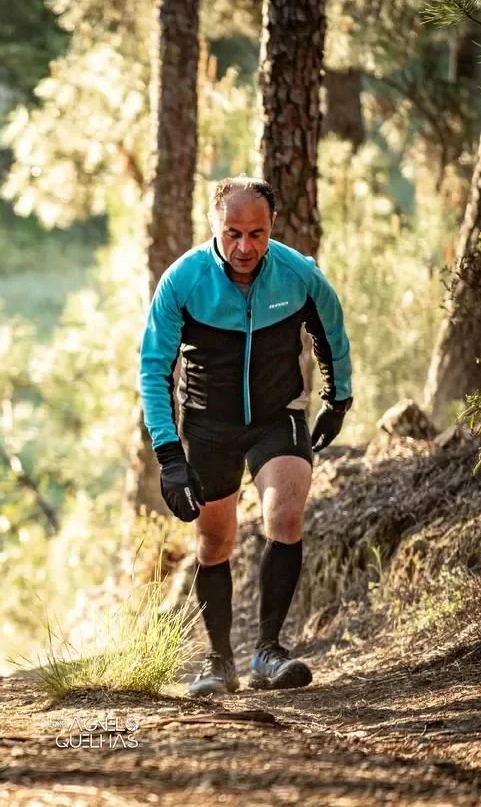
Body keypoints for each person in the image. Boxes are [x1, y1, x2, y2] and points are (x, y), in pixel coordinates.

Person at [138, 175, 353, 697]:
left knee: (286, 515)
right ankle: (218, 661)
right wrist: (169, 455)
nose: (244, 246)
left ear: (270, 227)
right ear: (216, 226)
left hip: (277, 416)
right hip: (209, 427)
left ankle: (269, 651)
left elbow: (332, 332)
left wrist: (337, 399)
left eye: (256, 234)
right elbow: (153, 369)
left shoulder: (299, 275)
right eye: (233, 233)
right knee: (214, 543)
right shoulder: (184, 281)